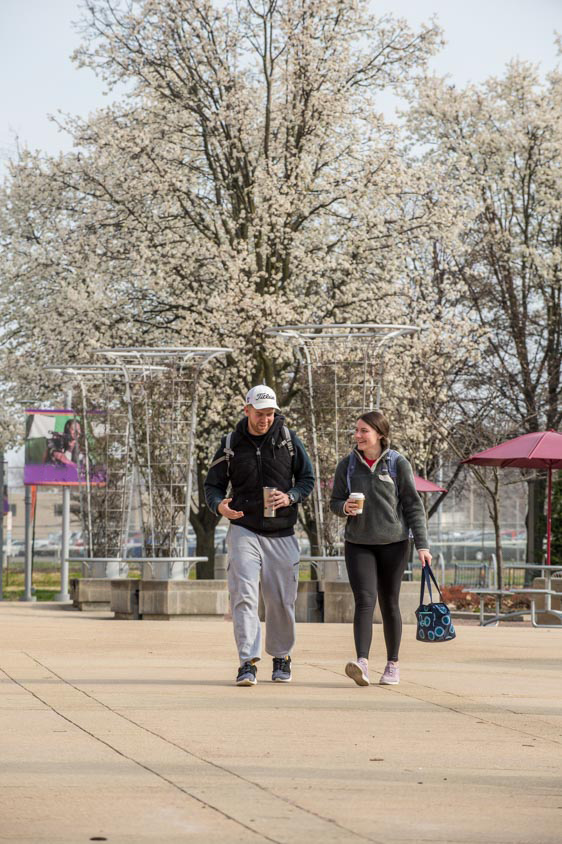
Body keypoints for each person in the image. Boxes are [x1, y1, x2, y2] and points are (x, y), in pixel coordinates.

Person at [205, 385, 315, 687]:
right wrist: (219, 506)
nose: (265, 419)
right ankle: (247, 662)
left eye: (270, 414)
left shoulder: (289, 441)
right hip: (243, 527)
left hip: (282, 532)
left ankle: (281, 655)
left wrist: (291, 496)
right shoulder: (230, 444)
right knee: (244, 595)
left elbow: (307, 479)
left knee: (281, 599)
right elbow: (212, 485)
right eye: (260, 414)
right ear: (247, 411)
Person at [330, 410, 431, 687]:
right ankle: (361, 662)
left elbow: (413, 505)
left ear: (379, 434)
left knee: (389, 602)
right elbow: (334, 501)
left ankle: (392, 664)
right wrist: (344, 507)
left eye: (364, 431)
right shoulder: (347, 466)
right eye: (357, 430)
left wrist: (422, 545)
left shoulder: (397, 464)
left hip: (394, 545)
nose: (358, 436)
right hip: (358, 543)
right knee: (364, 600)